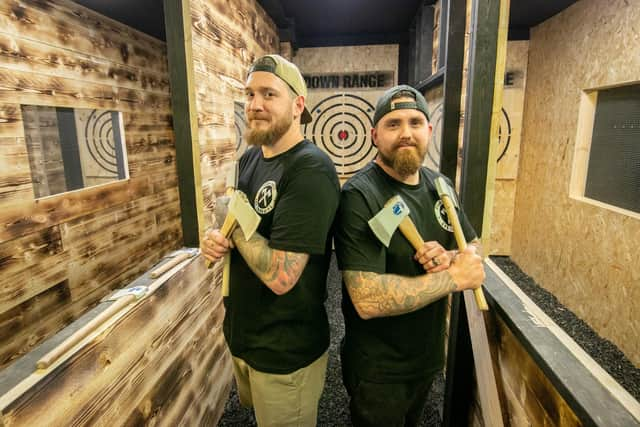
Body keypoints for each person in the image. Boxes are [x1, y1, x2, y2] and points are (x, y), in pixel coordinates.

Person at [334, 85, 485, 427]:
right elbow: (367, 299)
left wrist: (449, 257)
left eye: (416, 122)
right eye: (393, 124)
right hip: (379, 369)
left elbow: (474, 248)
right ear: (374, 135)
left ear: (429, 131)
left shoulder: (440, 185)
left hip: (428, 356)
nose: (406, 133)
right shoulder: (359, 196)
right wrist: (452, 278)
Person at [201, 54, 340, 426]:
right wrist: (215, 238)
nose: (255, 105)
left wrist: (237, 221)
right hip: (245, 337)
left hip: (285, 353)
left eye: (268, 94)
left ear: (298, 105)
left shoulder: (310, 169)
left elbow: (282, 276)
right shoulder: (250, 159)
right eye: (249, 94)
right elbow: (238, 228)